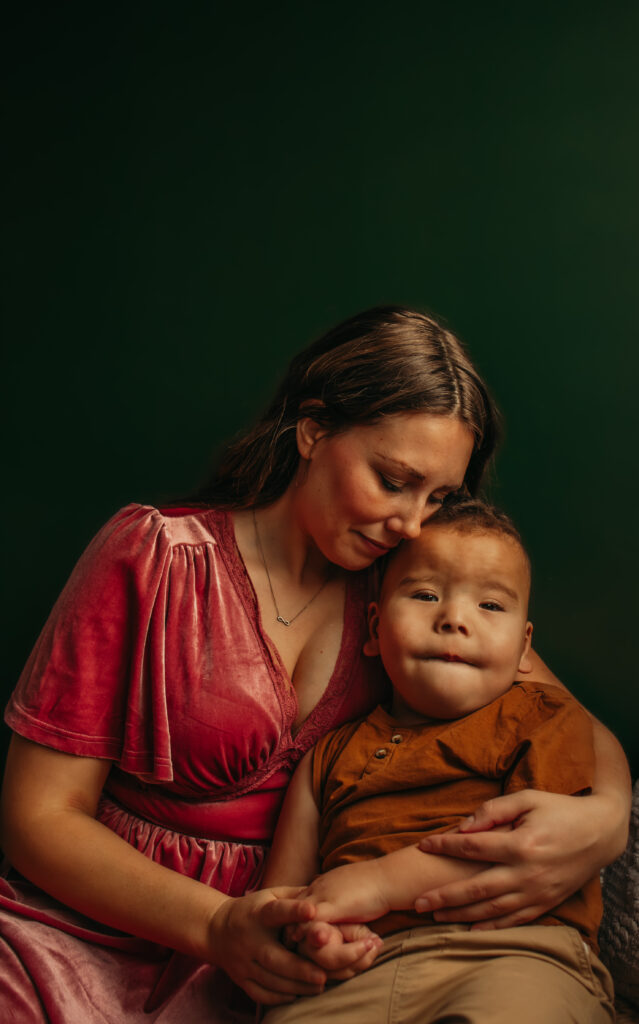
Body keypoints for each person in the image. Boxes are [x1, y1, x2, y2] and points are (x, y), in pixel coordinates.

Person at [0, 307, 629, 1023]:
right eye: (393, 480)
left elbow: (559, 714)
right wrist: (215, 926)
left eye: (440, 498)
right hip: (91, 930)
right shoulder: (154, 556)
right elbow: (38, 815)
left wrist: (606, 821)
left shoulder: (409, 592)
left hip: (306, 949)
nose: (414, 523)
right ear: (312, 432)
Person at [261, 500, 616, 1023]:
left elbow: (531, 848)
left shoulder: (543, 716)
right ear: (376, 629)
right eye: (425, 595)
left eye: (490, 606)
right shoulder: (329, 754)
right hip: (352, 973)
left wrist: (380, 885)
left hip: (512, 953)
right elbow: (281, 897)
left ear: (524, 648)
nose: (453, 619)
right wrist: (308, 931)